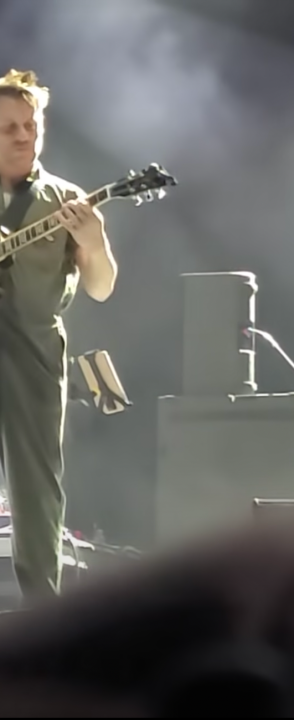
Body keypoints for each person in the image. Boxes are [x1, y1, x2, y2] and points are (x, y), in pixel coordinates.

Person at [0, 69, 118, 601]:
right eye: (8, 128)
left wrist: (92, 240)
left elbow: (101, 288)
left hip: (35, 352)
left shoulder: (67, 199)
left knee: (37, 487)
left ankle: (42, 613)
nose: (23, 135)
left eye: (30, 125)